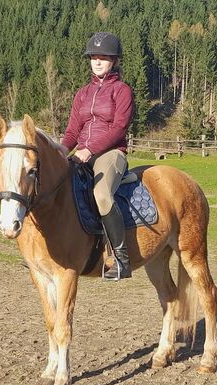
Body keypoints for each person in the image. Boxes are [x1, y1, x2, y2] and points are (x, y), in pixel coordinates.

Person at [61, 32, 135, 281]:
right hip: (81, 152)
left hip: (111, 153)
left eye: (104, 57)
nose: (98, 61)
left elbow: (118, 129)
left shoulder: (122, 91)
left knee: (101, 195)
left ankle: (122, 259)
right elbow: (72, 130)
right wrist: (62, 151)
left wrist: (89, 150)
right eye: (94, 56)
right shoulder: (82, 94)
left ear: (114, 60)